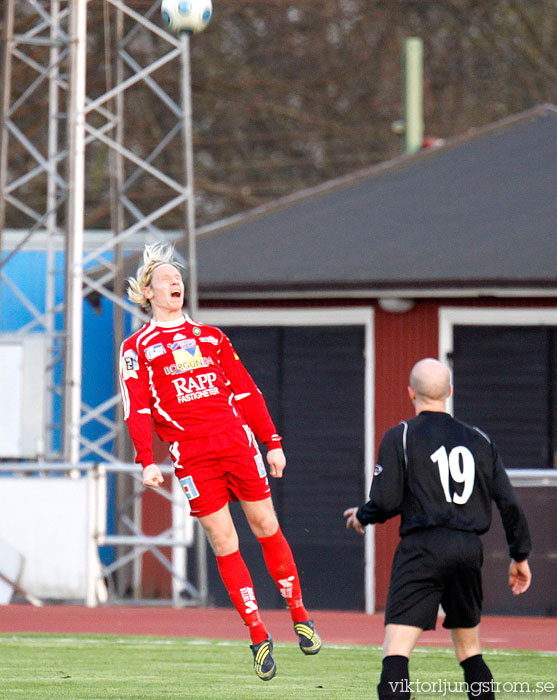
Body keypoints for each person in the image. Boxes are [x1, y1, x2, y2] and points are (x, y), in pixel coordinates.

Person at [119, 242, 321, 681]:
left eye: (179, 278)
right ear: (148, 292)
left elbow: (246, 390)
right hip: (191, 456)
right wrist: (145, 460)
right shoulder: (137, 347)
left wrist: (273, 442)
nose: (176, 283)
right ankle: (257, 634)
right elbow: (137, 409)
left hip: (236, 443)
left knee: (265, 526)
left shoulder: (210, 337)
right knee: (222, 538)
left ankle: (300, 615)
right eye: (166, 279)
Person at [344, 358, 532, 700]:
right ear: (449, 392)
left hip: (422, 548)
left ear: (410, 393)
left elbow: (385, 501)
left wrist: (362, 516)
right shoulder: (480, 440)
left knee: (396, 650)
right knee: (469, 650)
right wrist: (519, 555)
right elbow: (510, 504)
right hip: (467, 549)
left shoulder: (400, 435)